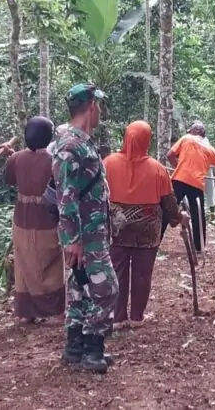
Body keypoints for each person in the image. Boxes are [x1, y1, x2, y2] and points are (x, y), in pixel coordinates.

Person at [52, 83, 118, 374]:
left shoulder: (81, 141)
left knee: (80, 288)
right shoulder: (70, 145)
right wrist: (73, 239)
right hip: (84, 234)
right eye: (99, 106)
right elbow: (66, 196)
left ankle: (75, 347)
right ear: (91, 106)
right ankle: (93, 349)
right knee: (106, 289)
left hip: (91, 231)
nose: (100, 111)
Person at [104, 120, 185, 330]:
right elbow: (169, 202)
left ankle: (117, 317)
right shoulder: (157, 169)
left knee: (117, 271)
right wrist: (177, 219)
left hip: (117, 228)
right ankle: (137, 316)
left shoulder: (108, 163)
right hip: (148, 231)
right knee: (142, 272)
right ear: (147, 139)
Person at [4, 116, 64, 325]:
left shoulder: (17, 158)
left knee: (24, 264)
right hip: (46, 220)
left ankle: (25, 312)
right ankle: (54, 311)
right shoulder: (53, 160)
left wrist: (11, 156)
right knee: (51, 264)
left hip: (21, 219)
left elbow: (9, 178)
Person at [167, 121, 215, 253]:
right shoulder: (210, 149)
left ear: (194, 131)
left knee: (167, 209)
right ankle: (199, 246)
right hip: (196, 184)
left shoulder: (186, 139)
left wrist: (178, 167)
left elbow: (170, 155)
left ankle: (154, 241)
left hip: (179, 179)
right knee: (198, 215)